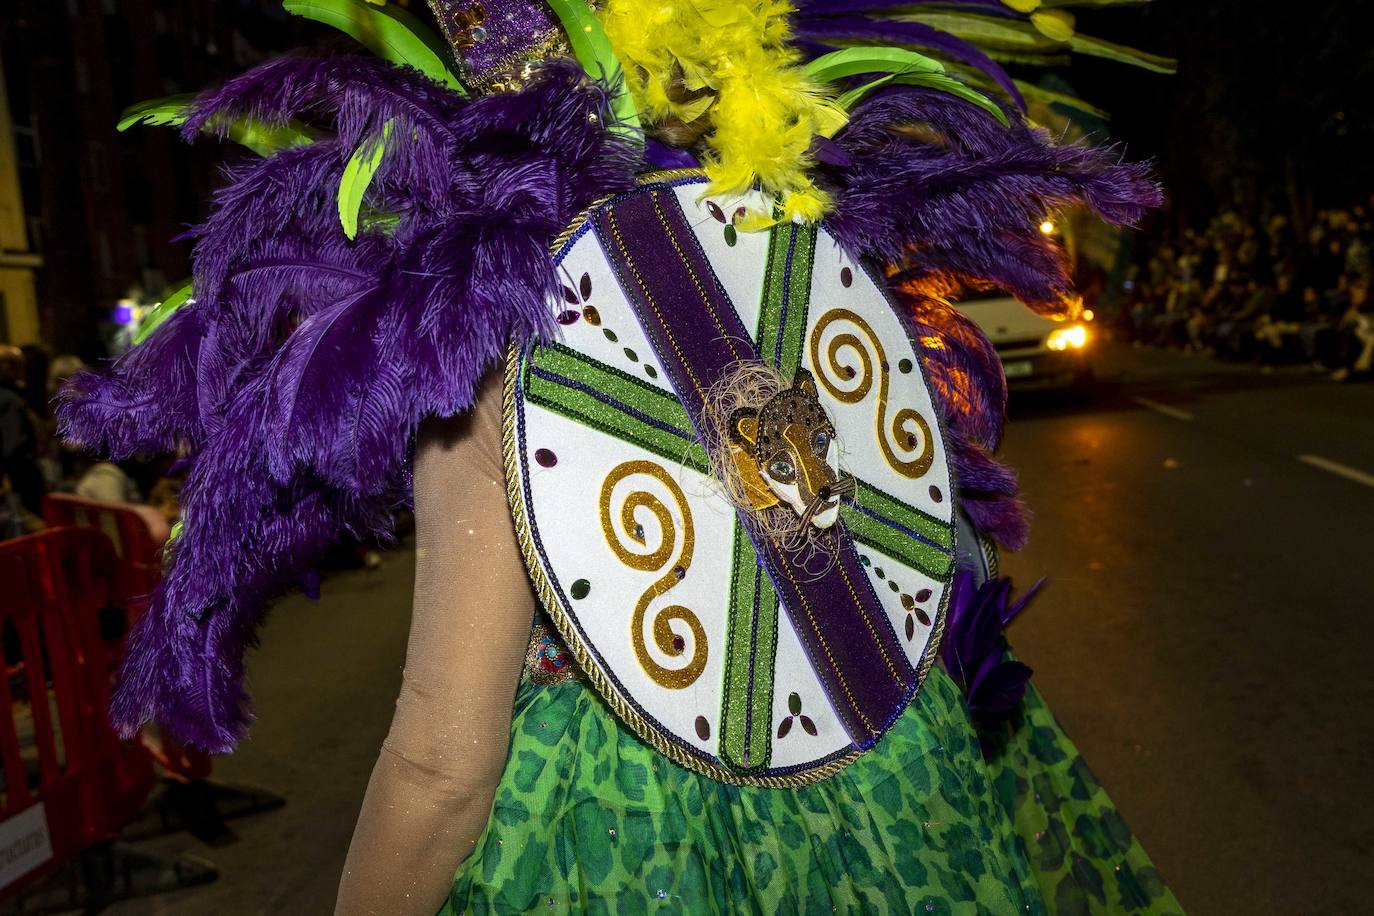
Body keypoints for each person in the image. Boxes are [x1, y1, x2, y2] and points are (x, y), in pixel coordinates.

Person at [57, 1, 1181, 914]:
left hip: (626, 839)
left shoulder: (502, 360)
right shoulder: (792, 251)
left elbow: (444, 767)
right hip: (893, 780)